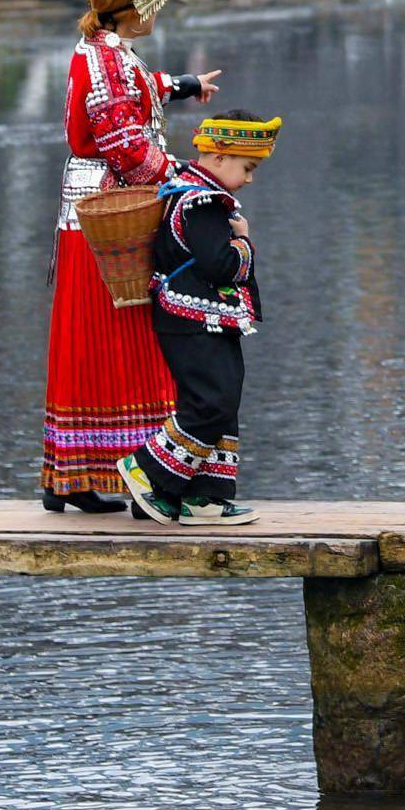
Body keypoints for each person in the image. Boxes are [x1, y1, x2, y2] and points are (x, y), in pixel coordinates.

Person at [41, 0, 216, 513]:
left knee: (86, 335)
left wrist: (185, 85)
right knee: (115, 332)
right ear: (133, 5)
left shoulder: (97, 49)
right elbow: (122, 137)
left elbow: (138, 88)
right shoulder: (107, 58)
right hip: (109, 210)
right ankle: (107, 469)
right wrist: (181, 182)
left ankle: (69, 475)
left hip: (88, 207)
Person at [118, 109, 280, 525]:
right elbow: (219, 265)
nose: (249, 179)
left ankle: (204, 496)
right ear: (221, 157)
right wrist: (244, 243)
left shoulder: (189, 191)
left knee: (221, 400)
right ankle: (147, 471)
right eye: (248, 167)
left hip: (201, 320)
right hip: (191, 322)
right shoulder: (203, 202)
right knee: (212, 401)